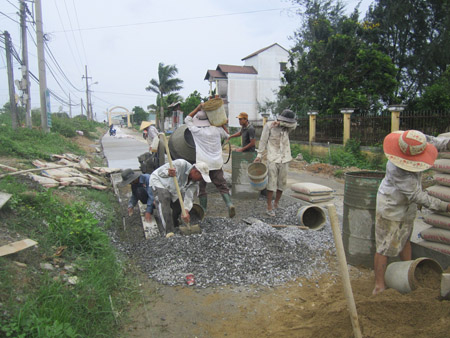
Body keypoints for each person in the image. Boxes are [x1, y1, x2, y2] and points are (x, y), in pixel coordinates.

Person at [373, 130, 450, 295]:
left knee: (405, 238)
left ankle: (407, 273)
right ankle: (379, 286)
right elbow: (417, 195)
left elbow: (439, 142)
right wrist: (445, 206)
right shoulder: (396, 168)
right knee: (385, 246)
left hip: (407, 206)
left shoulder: (416, 141)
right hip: (391, 205)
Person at [185, 103, 236, 218]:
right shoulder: (216, 129)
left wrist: (197, 108)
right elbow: (227, 136)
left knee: (202, 188)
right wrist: (221, 123)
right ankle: (229, 204)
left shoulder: (196, 130)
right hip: (216, 163)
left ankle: (203, 210)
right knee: (222, 185)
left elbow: (187, 119)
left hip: (203, 165)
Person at [150, 159, 210, 235]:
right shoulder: (181, 164)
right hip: (160, 182)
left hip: (174, 188)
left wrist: (186, 210)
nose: (201, 180)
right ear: (196, 172)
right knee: (165, 199)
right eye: (201, 177)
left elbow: (189, 197)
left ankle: (175, 226)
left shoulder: (195, 183)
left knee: (178, 206)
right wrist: (168, 172)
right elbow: (160, 172)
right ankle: (168, 232)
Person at [254, 109, 297, 216]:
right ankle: (269, 206)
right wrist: (259, 155)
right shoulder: (269, 125)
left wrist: (281, 123)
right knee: (271, 184)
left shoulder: (288, 127)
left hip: (285, 158)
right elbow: (263, 141)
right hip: (272, 158)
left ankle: (276, 203)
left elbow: (294, 125)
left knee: (282, 184)